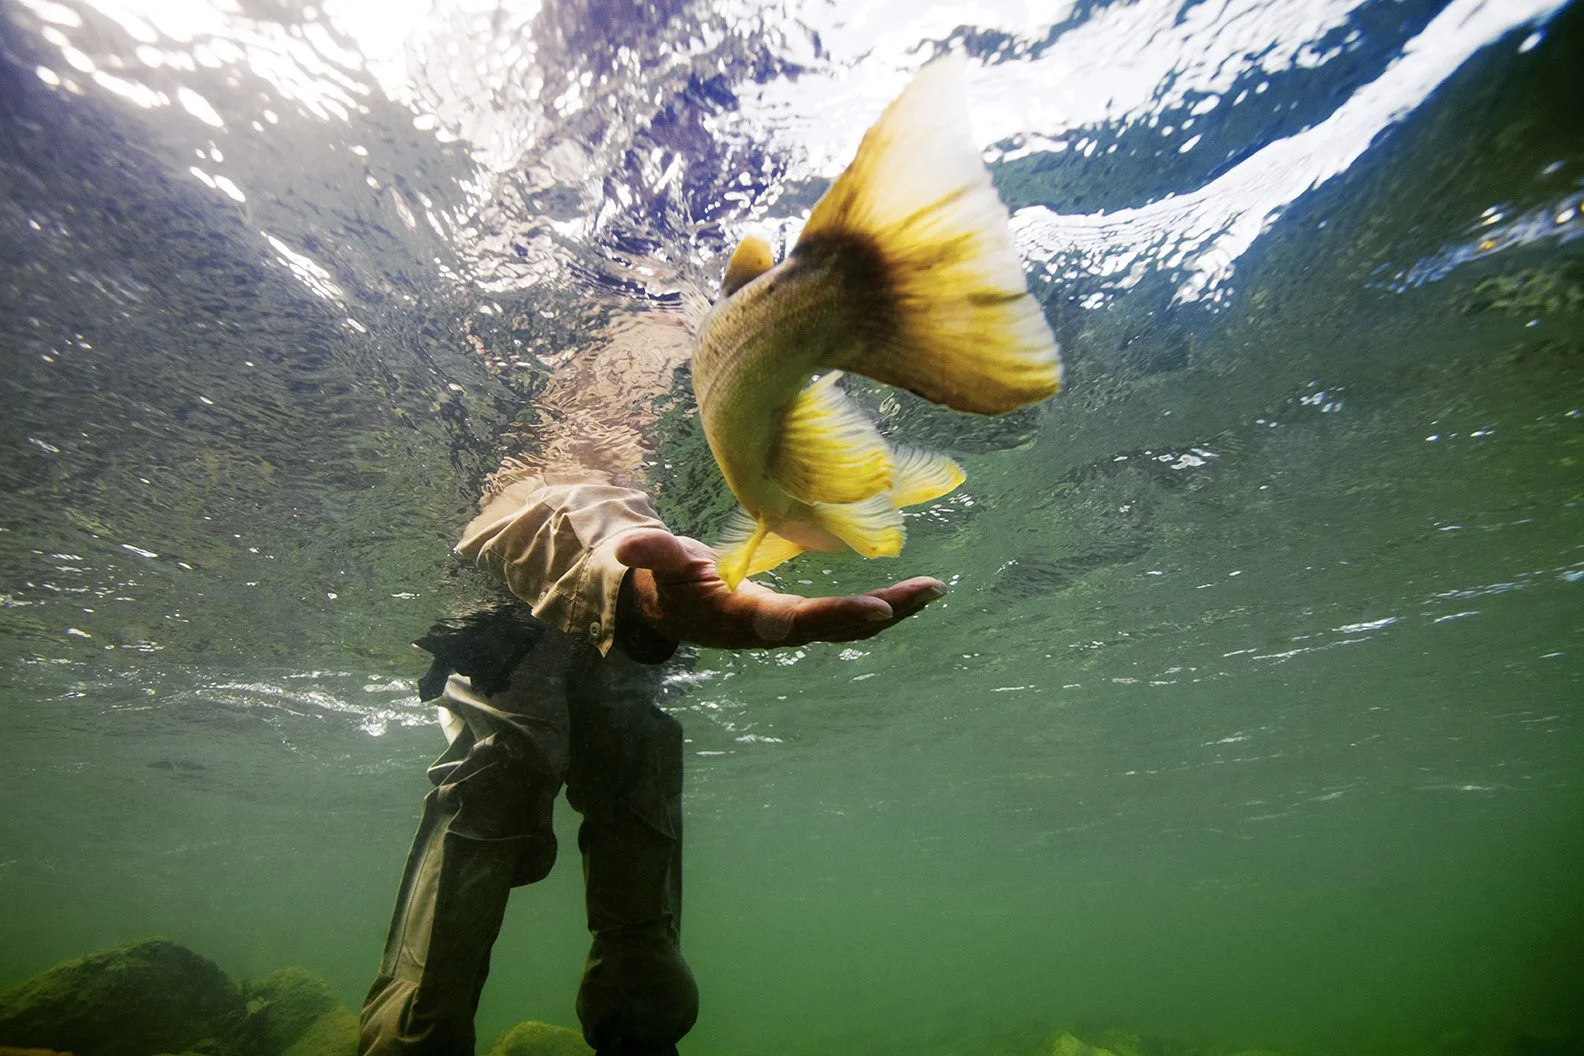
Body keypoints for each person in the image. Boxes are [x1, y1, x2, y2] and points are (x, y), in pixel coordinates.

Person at [358, 314, 947, 1056]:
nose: (628, 404)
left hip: (623, 623)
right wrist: (640, 593)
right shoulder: (534, 446)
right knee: (503, 777)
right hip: (515, 636)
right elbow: (532, 506)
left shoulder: (660, 417)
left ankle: (621, 1027)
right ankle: (422, 1035)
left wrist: (649, 598)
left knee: (622, 767)